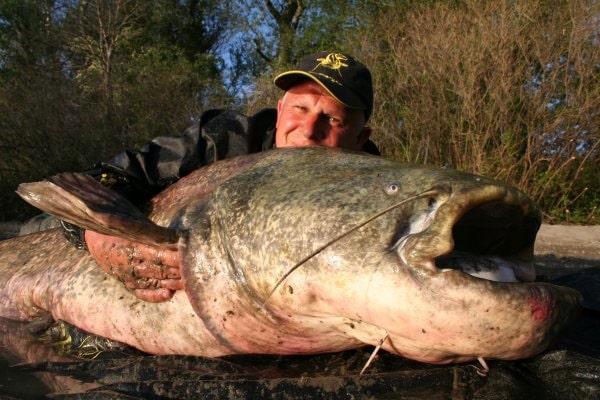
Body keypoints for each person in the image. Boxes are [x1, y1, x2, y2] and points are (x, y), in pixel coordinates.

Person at [72, 51, 379, 302]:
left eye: (333, 119)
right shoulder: (223, 140)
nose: (309, 129)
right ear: (280, 109)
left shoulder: (378, 190)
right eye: (300, 108)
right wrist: (96, 235)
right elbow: (95, 180)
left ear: (360, 138)